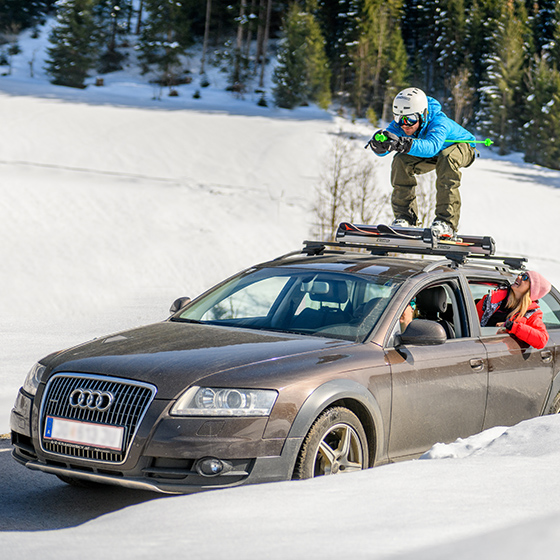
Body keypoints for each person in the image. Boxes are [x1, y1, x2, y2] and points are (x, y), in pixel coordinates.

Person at [366, 87, 476, 239]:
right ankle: (406, 218)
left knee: (447, 158)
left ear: (423, 114)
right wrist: (380, 144)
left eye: (410, 119)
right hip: (436, 153)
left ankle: (446, 223)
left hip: (463, 148)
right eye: (399, 118)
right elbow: (386, 146)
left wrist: (403, 144)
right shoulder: (402, 124)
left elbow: (431, 147)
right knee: (401, 160)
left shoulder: (439, 122)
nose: (404, 124)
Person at [476, 270, 551, 349]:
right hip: (479, 347)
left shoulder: (531, 314)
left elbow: (542, 340)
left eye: (525, 278)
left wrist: (511, 326)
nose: (519, 277)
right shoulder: (491, 299)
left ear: (532, 289)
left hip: (501, 354)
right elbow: (471, 323)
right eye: (521, 274)